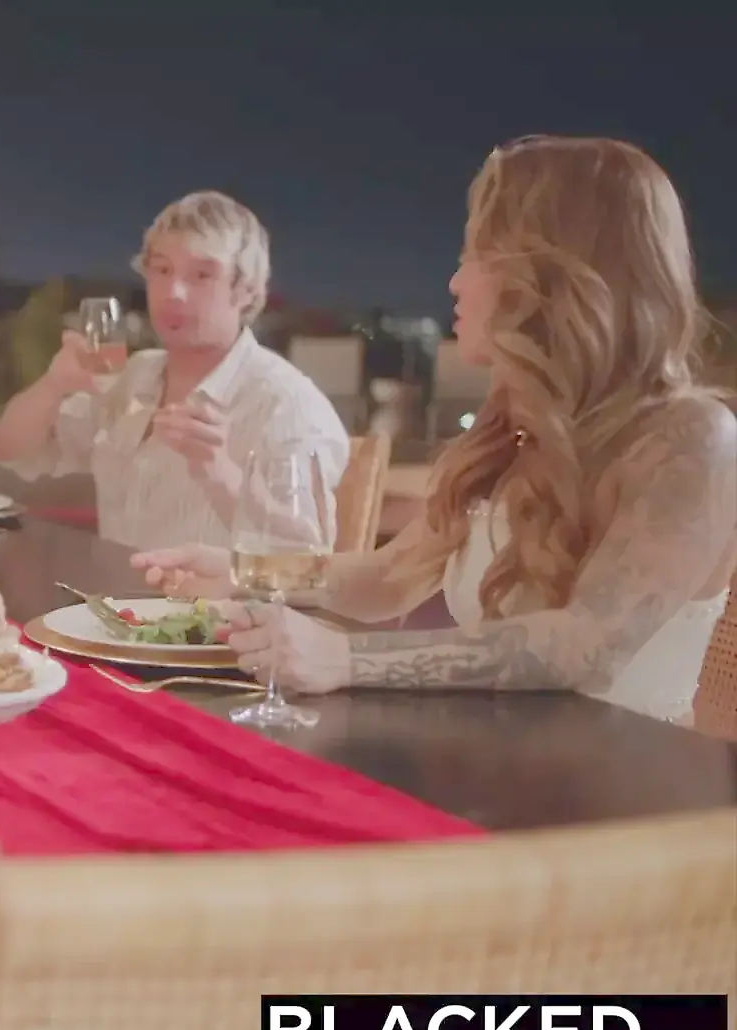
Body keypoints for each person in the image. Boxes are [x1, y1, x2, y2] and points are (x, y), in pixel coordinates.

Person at [134, 137, 736, 725]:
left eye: (476, 254)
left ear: (549, 277)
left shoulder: (693, 439)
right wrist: (247, 571)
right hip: (499, 760)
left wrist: (345, 658)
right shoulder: (509, 430)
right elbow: (388, 580)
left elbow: (586, 648)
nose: (454, 282)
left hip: (628, 785)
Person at [0, 191, 349, 550]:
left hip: (219, 590)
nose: (174, 292)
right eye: (162, 270)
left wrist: (220, 473)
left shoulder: (287, 405)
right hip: (116, 587)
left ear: (246, 291)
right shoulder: (135, 376)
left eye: (202, 275)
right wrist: (53, 385)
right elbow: (11, 450)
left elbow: (305, 555)